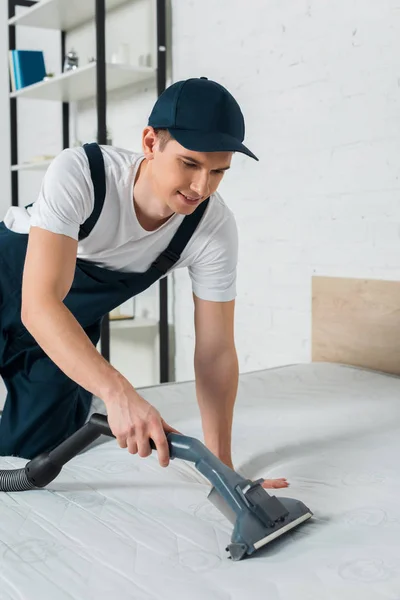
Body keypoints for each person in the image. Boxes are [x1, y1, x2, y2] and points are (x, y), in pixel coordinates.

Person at [0, 76, 288, 489]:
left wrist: (220, 467)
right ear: (151, 143)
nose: (200, 187)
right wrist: (119, 393)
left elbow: (216, 351)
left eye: (218, 171)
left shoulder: (212, 229)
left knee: (28, 455)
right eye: (189, 163)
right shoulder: (83, 172)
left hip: (67, 327)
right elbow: (39, 303)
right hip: (20, 289)